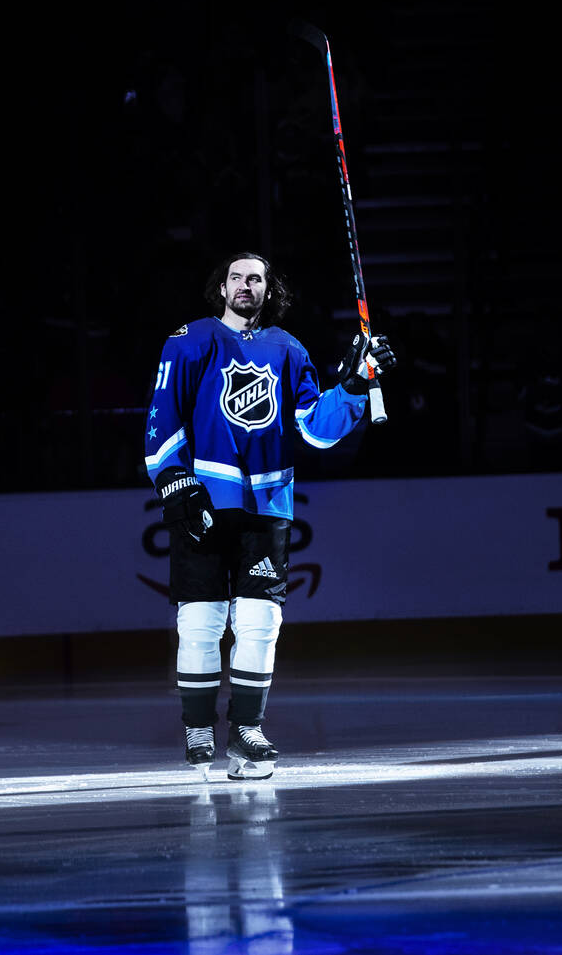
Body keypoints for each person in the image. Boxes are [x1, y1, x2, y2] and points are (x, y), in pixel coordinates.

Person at [144, 252, 396, 779]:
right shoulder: (189, 340)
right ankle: (197, 729)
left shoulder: (289, 348)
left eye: (255, 278)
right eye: (236, 276)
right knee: (201, 621)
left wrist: (351, 386)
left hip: (268, 503)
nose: (245, 285)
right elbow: (162, 414)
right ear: (221, 288)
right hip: (203, 501)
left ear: (267, 290)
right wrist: (173, 480)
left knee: (260, 622)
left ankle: (246, 730)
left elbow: (315, 429)